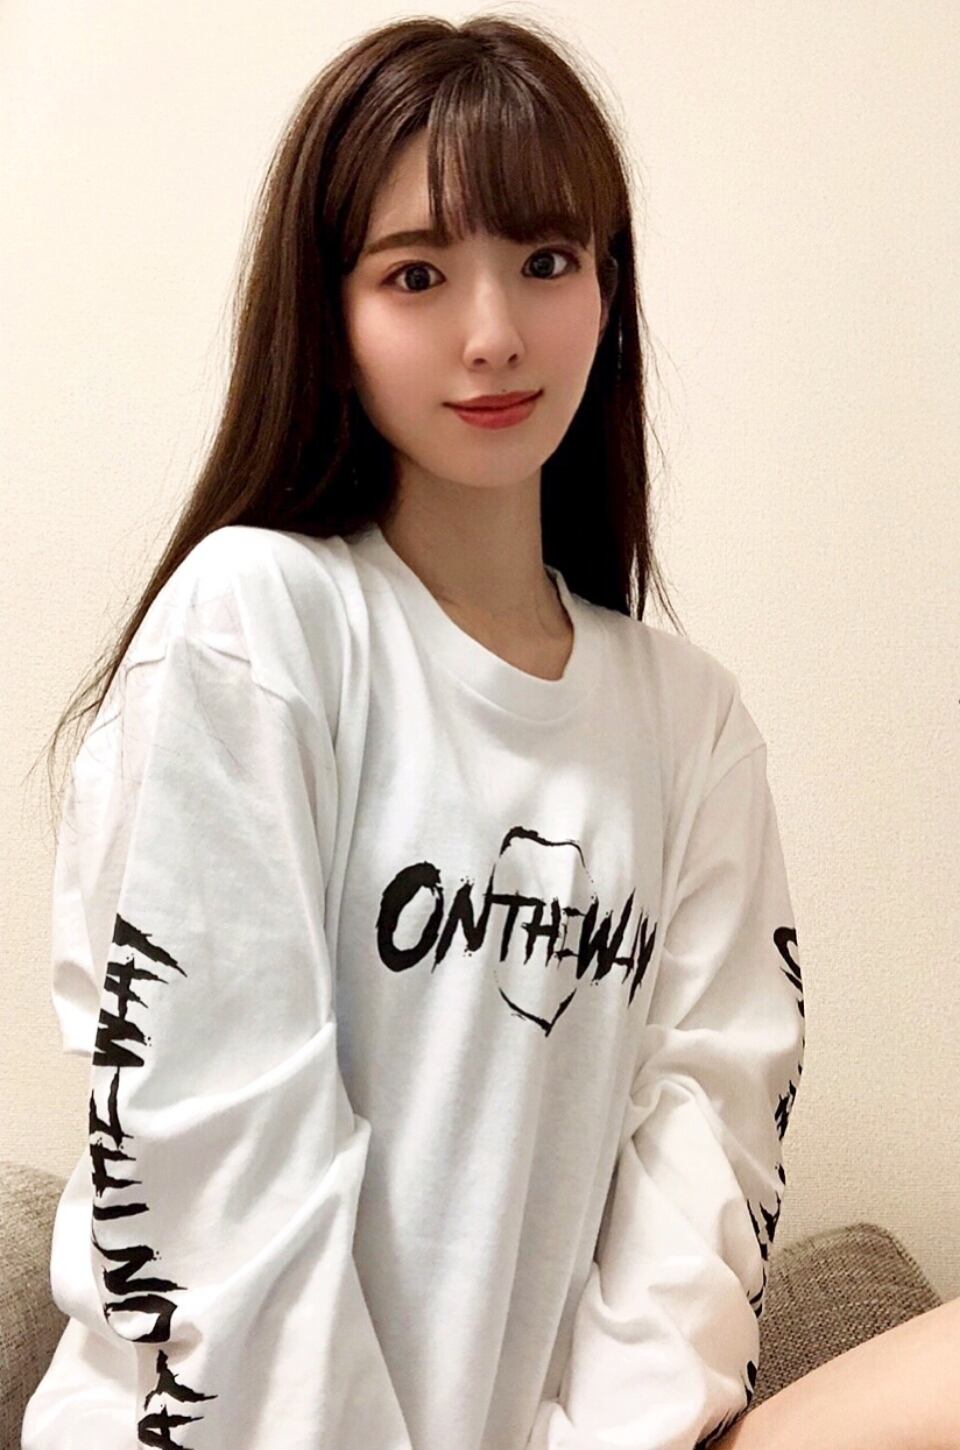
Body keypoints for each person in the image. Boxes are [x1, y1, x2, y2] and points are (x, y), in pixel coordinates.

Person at [24, 14, 948, 1450]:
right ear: (329, 316)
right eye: (416, 274)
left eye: (547, 261)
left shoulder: (690, 725)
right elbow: (219, 1169)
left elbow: (701, 1172)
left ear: (609, 291)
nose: (494, 332)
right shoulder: (259, 624)